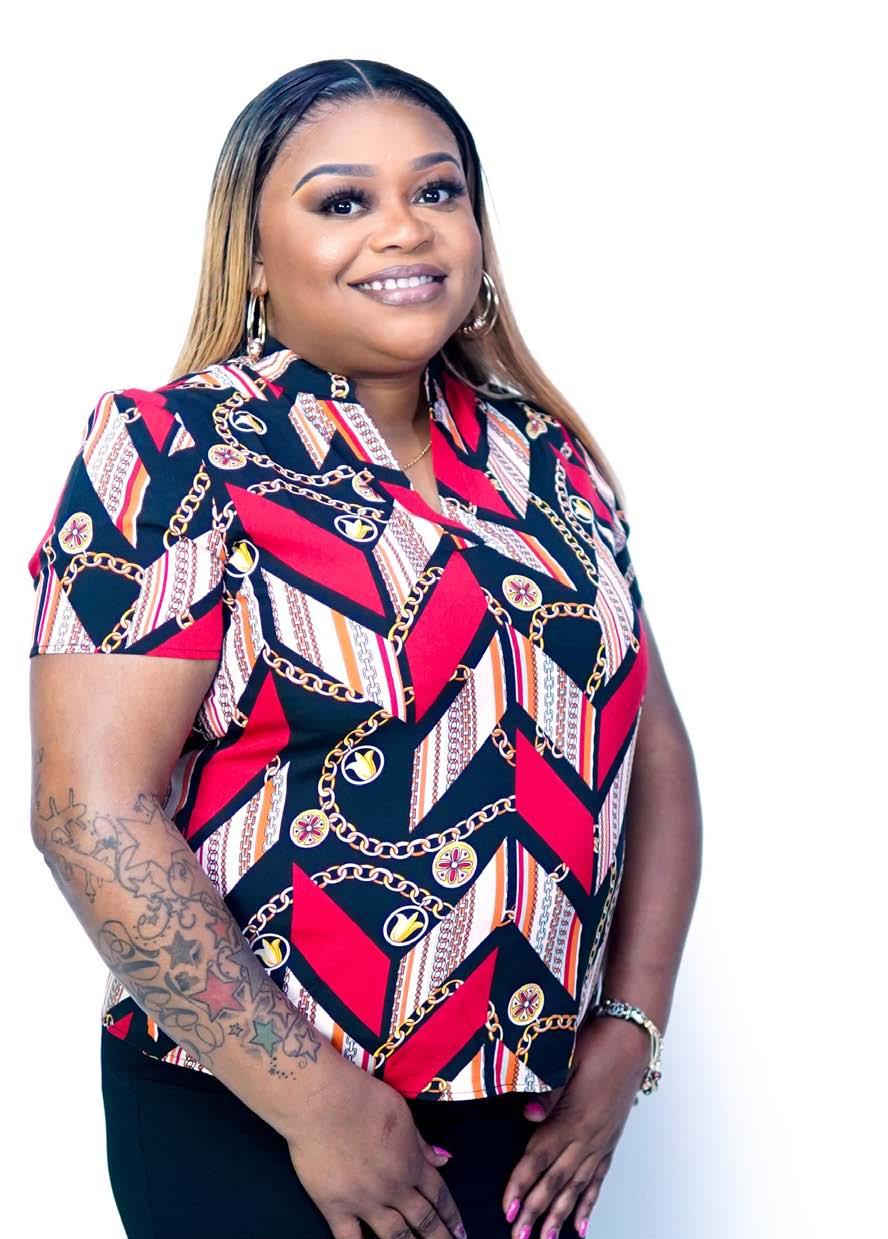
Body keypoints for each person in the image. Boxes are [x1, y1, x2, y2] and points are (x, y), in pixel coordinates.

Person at [27, 58, 702, 1239]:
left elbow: (653, 756)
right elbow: (89, 811)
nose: (404, 228)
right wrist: (318, 1107)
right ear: (252, 254)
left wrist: (629, 1031)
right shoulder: (175, 449)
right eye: (344, 200)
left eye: (438, 191)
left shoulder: (549, 461)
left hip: (528, 1125)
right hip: (251, 1116)